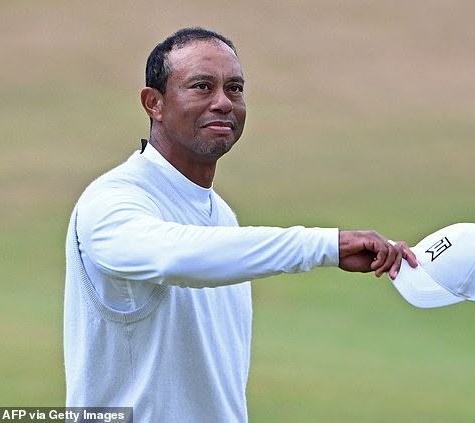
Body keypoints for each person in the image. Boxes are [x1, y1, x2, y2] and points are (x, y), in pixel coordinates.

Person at [64, 27, 418, 422]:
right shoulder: (110, 201)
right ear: (154, 104)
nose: (223, 103)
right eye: (201, 86)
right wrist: (324, 246)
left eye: (234, 88)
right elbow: (172, 255)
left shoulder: (222, 217)